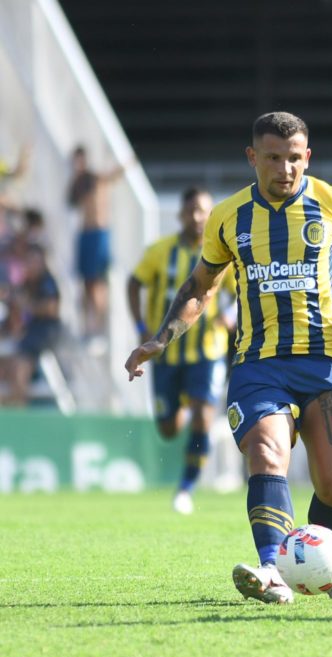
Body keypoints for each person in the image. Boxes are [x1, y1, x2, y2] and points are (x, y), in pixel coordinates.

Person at [124, 112, 332, 604]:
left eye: (294, 158)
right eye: (273, 158)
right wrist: (161, 338)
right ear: (253, 157)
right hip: (259, 365)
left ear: (307, 157)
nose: (285, 169)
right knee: (267, 453)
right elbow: (201, 285)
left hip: (326, 361)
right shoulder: (228, 216)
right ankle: (272, 570)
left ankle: (328, 569)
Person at [128, 186, 234, 515]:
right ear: (181, 215)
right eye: (191, 211)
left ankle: (186, 488)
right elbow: (134, 283)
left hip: (207, 351)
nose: (197, 217)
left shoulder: (222, 254)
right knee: (168, 428)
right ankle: (184, 409)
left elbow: (240, 292)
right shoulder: (160, 251)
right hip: (167, 355)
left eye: (203, 211)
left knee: (204, 414)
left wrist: (230, 316)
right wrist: (141, 327)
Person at [67, 145, 131, 340]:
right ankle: (88, 326)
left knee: (97, 282)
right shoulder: (78, 183)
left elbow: (113, 175)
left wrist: (127, 161)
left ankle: (99, 327)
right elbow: (70, 202)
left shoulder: (95, 179)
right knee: (86, 283)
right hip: (85, 234)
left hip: (98, 234)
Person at [5, 244, 62, 406]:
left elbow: (51, 308)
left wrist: (28, 306)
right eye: (28, 261)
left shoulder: (47, 282)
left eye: (34, 261)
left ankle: (20, 406)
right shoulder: (26, 284)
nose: (31, 265)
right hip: (30, 333)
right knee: (11, 365)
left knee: (20, 368)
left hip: (45, 333)